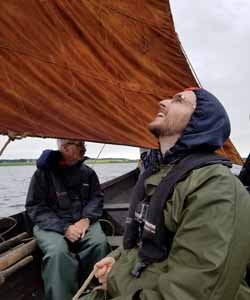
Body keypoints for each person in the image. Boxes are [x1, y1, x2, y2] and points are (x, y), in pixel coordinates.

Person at [86, 88, 250, 300]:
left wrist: (116, 279)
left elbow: (193, 293)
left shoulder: (215, 187)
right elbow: (146, 242)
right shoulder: (161, 174)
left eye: (178, 101)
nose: (162, 102)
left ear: (200, 121)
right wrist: (117, 259)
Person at [25, 139, 109, 300]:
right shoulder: (42, 174)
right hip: (50, 225)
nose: (84, 148)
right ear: (65, 147)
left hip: (84, 222)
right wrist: (64, 228)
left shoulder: (88, 173)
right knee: (58, 253)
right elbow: (35, 207)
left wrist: (86, 219)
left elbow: (96, 198)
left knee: (99, 244)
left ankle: (94, 292)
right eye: (79, 145)